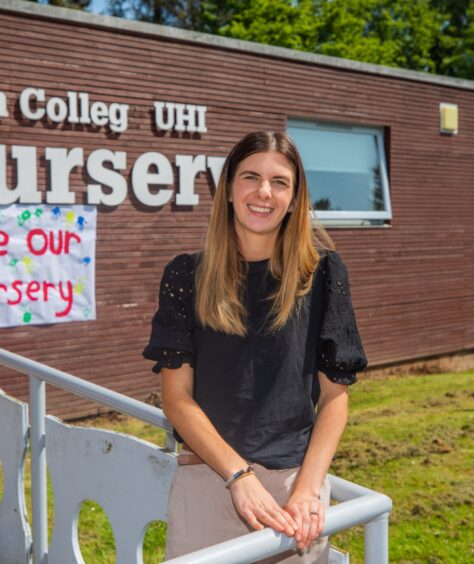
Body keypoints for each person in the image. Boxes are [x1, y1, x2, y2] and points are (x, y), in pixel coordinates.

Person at [143, 131, 367, 562]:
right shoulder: (185, 276)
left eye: (280, 181)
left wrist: (307, 491)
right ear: (228, 188)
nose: (264, 192)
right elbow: (177, 399)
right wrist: (238, 476)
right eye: (250, 177)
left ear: (296, 196)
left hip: (293, 493)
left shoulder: (323, 275)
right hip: (210, 479)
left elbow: (335, 398)